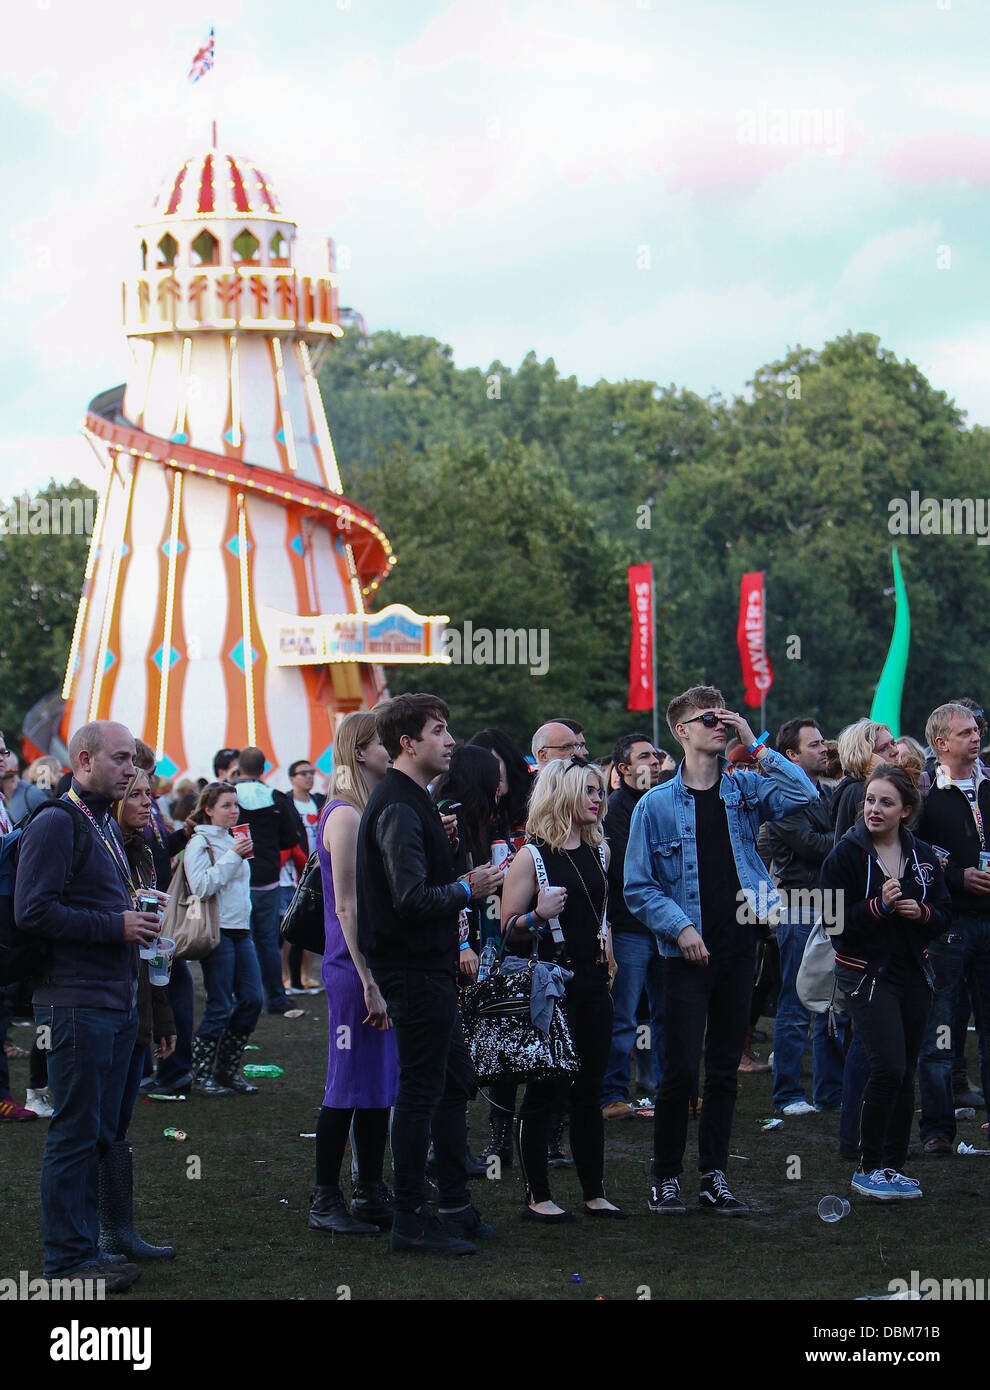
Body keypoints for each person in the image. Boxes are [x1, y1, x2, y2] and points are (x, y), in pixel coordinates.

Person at [624, 686, 818, 1217]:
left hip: (739, 947)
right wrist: (681, 927)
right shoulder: (654, 805)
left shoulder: (746, 790)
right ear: (681, 731)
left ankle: (714, 1176)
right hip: (682, 956)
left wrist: (756, 744)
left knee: (724, 1072)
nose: (719, 723)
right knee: (680, 1071)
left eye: (723, 715)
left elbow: (806, 797)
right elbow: (638, 887)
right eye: (707, 718)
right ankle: (665, 1177)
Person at [15, 720, 161, 1293]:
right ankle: (66, 1264)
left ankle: (95, 1246)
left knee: (100, 1131)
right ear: (83, 760)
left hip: (114, 998)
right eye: (121, 759)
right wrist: (115, 924)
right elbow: (33, 911)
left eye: (133, 760)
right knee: (74, 1134)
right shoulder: (57, 821)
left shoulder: (100, 819)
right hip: (75, 1003)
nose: (132, 770)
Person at [357, 693, 501, 1255]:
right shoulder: (397, 803)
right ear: (407, 744)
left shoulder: (410, 801)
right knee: (421, 1092)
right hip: (413, 968)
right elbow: (411, 898)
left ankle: (453, 1206)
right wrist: (471, 887)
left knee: (450, 1083)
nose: (450, 740)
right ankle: (411, 1218)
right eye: (438, 730)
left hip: (427, 966)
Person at [500, 757, 625, 1221]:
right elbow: (505, 929)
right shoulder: (531, 856)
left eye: (599, 790)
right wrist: (538, 915)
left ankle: (594, 1192)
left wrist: (609, 963)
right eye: (589, 790)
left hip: (594, 981)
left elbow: (604, 916)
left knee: (589, 1092)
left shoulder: (602, 850)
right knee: (545, 1092)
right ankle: (538, 1195)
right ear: (564, 794)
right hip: (550, 987)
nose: (598, 798)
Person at [822, 764, 950, 1199]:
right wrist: (878, 906)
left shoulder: (924, 856)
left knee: (905, 1071)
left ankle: (892, 1167)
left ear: (906, 810)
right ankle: (867, 1166)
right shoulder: (845, 855)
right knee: (888, 1067)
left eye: (885, 802)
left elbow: (945, 912)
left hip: (913, 972)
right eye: (870, 800)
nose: (873, 809)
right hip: (864, 976)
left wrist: (922, 913)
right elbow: (835, 924)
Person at [309, 712, 398, 1236]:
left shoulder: (363, 809)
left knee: (376, 1085)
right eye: (384, 744)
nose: (392, 751)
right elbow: (346, 908)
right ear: (361, 752)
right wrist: (368, 981)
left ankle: (368, 1191)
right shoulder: (344, 815)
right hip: (353, 967)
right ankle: (325, 1198)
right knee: (344, 1086)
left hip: (368, 964)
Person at [99, 769, 175, 1260]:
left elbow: (152, 945)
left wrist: (162, 1013)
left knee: (121, 1122)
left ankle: (118, 1230)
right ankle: (99, 1234)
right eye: (139, 796)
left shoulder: (146, 852)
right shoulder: (103, 850)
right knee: (99, 1123)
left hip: (140, 993)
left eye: (151, 794)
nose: (150, 803)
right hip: (103, 997)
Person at [916, 702, 990, 1151]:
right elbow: (914, 851)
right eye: (965, 732)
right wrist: (955, 874)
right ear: (941, 743)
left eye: (976, 729)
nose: (975, 736)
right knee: (940, 1030)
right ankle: (939, 1130)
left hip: (989, 922)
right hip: (947, 925)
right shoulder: (924, 792)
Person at [767, 718, 847, 1116]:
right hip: (799, 907)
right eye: (814, 744)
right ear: (791, 756)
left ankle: (829, 1092)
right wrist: (852, 836)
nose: (824, 749)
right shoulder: (781, 796)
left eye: (823, 742)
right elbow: (813, 846)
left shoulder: (825, 793)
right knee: (796, 1003)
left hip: (832, 905)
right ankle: (788, 1094)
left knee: (833, 1002)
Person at [600, 733, 664, 1119]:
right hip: (629, 927)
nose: (655, 762)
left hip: (666, 925)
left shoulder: (665, 801)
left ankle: (665, 1085)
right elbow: (631, 866)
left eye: (656, 756)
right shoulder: (613, 811)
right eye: (644, 757)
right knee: (624, 1014)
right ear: (623, 769)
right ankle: (612, 1093)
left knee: (666, 1012)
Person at [185, 782, 263, 1096]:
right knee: (219, 1004)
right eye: (226, 805)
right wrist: (233, 856)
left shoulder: (236, 838)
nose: (234, 811)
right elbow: (201, 887)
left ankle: (227, 1069)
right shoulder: (199, 843)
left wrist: (235, 851)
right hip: (216, 930)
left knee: (253, 999)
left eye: (235, 805)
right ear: (209, 809)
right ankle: (202, 1073)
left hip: (240, 929)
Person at [235, 746, 299, 1015]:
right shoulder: (276, 797)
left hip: (237, 877)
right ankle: (275, 996)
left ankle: (242, 998)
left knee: (240, 940)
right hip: (269, 877)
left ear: (239, 768)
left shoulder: (228, 796)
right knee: (268, 940)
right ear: (263, 770)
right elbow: (291, 836)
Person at [276, 759, 326, 995]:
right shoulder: (286, 803)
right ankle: (286, 977)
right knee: (291, 926)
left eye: (311, 772)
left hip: (320, 869)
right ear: (292, 778)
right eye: (303, 773)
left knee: (314, 924)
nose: (309, 776)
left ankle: (306, 976)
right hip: (295, 871)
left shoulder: (319, 801)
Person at [831, 720, 900, 841]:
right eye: (883, 748)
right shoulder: (859, 790)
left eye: (893, 743)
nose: (895, 751)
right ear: (863, 757)